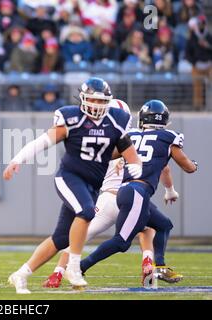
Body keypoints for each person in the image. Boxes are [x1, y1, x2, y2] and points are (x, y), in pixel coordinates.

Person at [3, 77, 143, 293]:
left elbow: (131, 154)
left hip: (92, 185)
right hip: (69, 177)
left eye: (101, 101)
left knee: (60, 238)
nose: (97, 106)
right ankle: (74, 267)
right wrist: (17, 160)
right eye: (93, 101)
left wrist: (136, 167)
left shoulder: (116, 121)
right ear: (84, 99)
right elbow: (42, 141)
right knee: (86, 211)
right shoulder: (72, 118)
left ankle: (21, 274)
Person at [42, 99, 182, 289]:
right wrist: (169, 191)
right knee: (148, 227)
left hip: (109, 198)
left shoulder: (101, 143)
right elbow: (164, 168)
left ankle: (57, 273)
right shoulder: (131, 139)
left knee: (79, 235)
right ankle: (148, 263)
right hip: (133, 195)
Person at [79, 100, 198, 280]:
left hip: (128, 191)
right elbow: (188, 167)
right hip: (137, 192)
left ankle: (160, 267)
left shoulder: (131, 136)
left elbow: (107, 156)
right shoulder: (169, 137)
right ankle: (80, 267)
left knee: (164, 225)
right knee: (121, 242)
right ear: (164, 120)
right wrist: (195, 165)